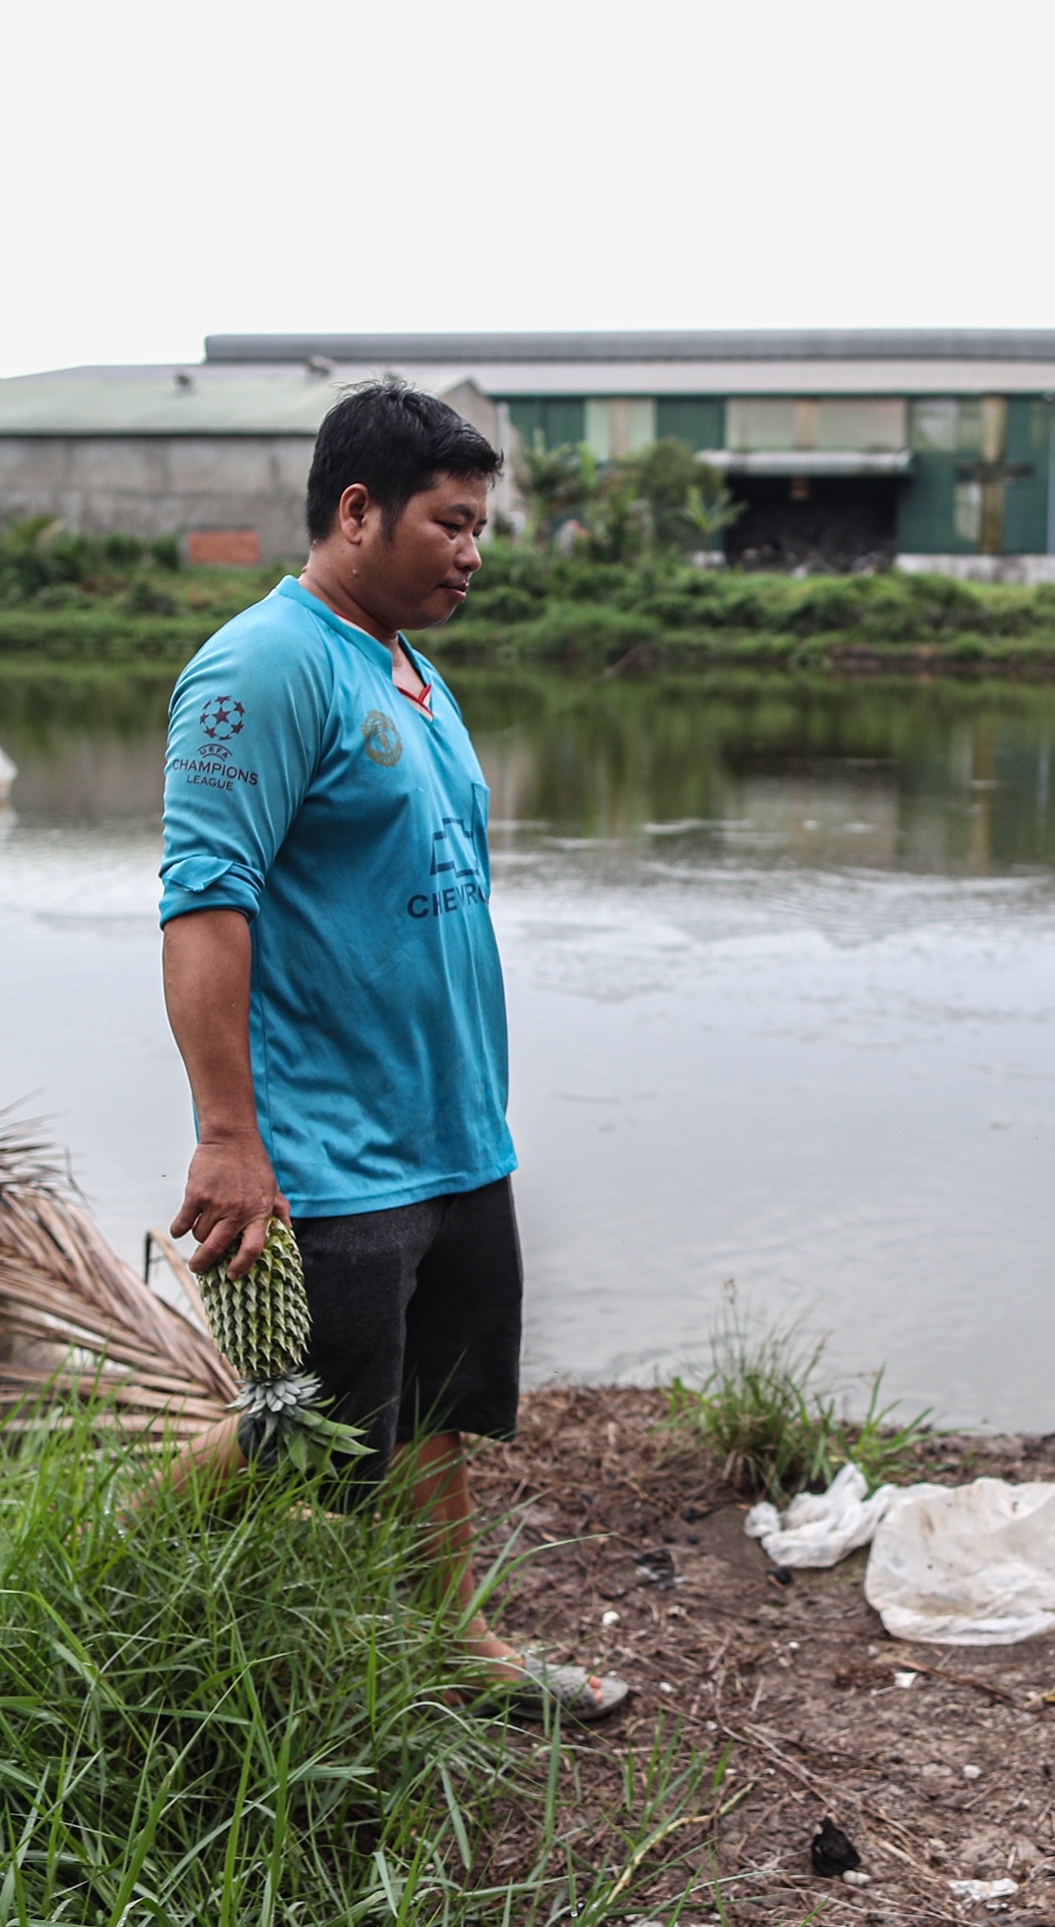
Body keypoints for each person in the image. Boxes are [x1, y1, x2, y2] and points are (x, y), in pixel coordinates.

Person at [154, 379, 627, 1720]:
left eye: (483, 528)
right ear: (358, 513)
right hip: (332, 1144)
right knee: (299, 1425)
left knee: (433, 1411)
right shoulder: (264, 666)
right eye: (451, 523)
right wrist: (230, 1136)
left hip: (453, 1128)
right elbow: (206, 905)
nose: (473, 554)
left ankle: (451, 1649)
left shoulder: (413, 674)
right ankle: (116, 1586)